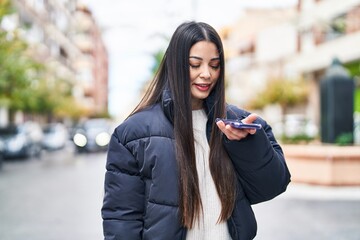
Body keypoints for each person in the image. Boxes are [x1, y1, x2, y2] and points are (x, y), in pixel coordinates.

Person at [101, 21, 291, 240]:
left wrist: (246, 145)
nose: (207, 74)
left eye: (214, 65)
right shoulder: (132, 135)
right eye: (195, 64)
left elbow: (273, 186)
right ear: (176, 65)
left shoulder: (239, 123)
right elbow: (122, 218)